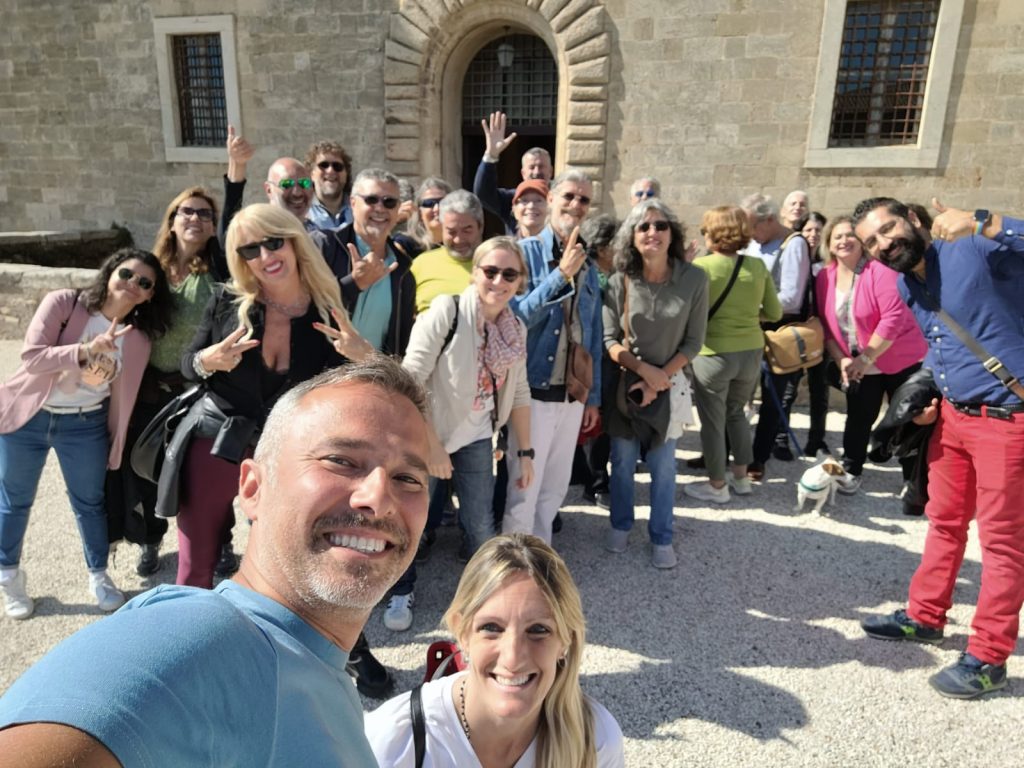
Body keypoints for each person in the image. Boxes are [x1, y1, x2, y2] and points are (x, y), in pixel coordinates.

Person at [0, 359, 433, 765]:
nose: (379, 498)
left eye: (407, 478)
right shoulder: (198, 639)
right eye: (341, 460)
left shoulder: (315, 668)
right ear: (252, 488)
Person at [853, 197, 1024, 699]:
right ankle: (926, 615)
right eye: (873, 242)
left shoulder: (974, 244)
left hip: (1007, 420)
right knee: (943, 520)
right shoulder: (908, 284)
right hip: (952, 418)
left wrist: (985, 219)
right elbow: (941, 342)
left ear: (912, 219)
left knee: (1001, 543)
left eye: (888, 229)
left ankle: (990, 657)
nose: (884, 244)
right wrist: (930, 398)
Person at [175, 203, 374, 589]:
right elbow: (187, 364)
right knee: (196, 559)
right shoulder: (227, 302)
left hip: (285, 446)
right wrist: (208, 360)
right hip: (219, 436)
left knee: (278, 555)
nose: (265, 256)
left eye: (273, 242)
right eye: (250, 249)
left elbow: (349, 386)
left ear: (294, 242)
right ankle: (188, 638)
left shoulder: (328, 308)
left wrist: (363, 355)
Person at [0, 249, 172, 619]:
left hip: (85, 425)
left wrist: (116, 442)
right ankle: (9, 576)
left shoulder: (138, 340)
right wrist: (84, 351)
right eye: (127, 274)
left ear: (149, 295)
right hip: (30, 417)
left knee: (89, 503)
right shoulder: (65, 303)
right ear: (110, 271)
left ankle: (98, 574)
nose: (133, 285)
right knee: (15, 501)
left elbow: (121, 399)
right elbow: (32, 356)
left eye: (144, 283)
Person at [364, 533, 625, 768]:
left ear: (566, 640)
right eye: (491, 627)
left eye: (538, 630)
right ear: (461, 632)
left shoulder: (596, 740)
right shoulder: (394, 743)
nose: (512, 658)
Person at [391, 237, 534, 631]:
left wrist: (526, 453)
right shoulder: (446, 310)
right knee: (414, 521)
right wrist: (432, 445)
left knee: (480, 524)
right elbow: (410, 378)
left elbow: (519, 391)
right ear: (475, 272)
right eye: (490, 271)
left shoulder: (513, 326)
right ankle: (400, 591)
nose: (499, 281)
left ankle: (483, 597)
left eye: (510, 273)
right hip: (429, 434)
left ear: (520, 280)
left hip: (476, 437)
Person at [602, 200, 708, 568]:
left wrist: (659, 378)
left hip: (671, 383)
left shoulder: (695, 279)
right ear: (632, 237)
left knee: (664, 467)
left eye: (661, 226)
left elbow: (694, 342)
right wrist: (643, 371)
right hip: (626, 388)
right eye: (644, 227)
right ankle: (620, 524)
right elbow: (609, 339)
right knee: (623, 460)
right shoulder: (620, 282)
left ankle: (662, 536)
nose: (653, 233)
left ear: (672, 233)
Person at [502, 169, 603, 544]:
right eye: (569, 197)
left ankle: (539, 558)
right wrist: (560, 277)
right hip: (532, 393)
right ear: (552, 200)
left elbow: (592, 333)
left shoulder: (588, 264)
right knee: (523, 487)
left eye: (584, 200)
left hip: (571, 393)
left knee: (555, 489)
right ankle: (513, 564)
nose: (576, 206)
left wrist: (593, 397)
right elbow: (515, 319)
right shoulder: (523, 254)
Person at [816, 216, 927, 496]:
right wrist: (841, 358)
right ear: (829, 245)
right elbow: (827, 325)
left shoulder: (880, 270)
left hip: (898, 356)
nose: (844, 241)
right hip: (856, 362)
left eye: (850, 235)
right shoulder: (824, 277)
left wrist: (865, 358)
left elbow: (893, 317)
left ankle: (912, 478)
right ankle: (852, 470)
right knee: (858, 417)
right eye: (837, 237)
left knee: (907, 417)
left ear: (862, 242)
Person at [685, 206, 780, 505]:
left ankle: (716, 484)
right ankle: (741, 478)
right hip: (750, 350)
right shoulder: (757, 267)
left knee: (713, 421)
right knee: (737, 413)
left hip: (713, 352)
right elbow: (775, 312)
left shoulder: (701, 267)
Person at [741, 193, 811, 478]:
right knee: (737, 394)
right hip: (750, 327)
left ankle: (758, 458)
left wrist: (749, 308)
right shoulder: (755, 244)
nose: (748, 234)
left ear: (769, 220)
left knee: (772, 397)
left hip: (776, 330)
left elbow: (791, 299)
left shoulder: (793, 245)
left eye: (751, 228)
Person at [473, 111, 554, 234]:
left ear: (551, 171)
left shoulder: (560, 199)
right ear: (523, 173)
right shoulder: (512, 198)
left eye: (541, 166)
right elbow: (483, 194)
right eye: (532, 167)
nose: (537, 172)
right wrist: (491, 155)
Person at [410, 190, 485, 313]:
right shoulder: (420, 264)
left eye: (467, 230)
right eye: (451, 232)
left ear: (480, 227)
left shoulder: (497, 263)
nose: (458, 239)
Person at [796, 211, 831, 456]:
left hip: (820, 333)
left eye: (818, 230)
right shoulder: (793, 258)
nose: (813, 235)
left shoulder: (827, 264)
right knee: (787, 390)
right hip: (795, 333)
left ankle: (816, 439)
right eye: (808, 230)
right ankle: (779, 438)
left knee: (820, 389)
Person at [305, 140, 354, 230]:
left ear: (346, 174)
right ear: (311, 174)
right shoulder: (301, 210)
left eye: (337, 166)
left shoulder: (359, 208)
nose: (330, 171)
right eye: (323, 165)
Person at [408, 177, 454, 252]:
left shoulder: (462, 244)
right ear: (419, 211)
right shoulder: (406, 245)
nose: (437, 208)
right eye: (429, 203)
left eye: (443, 202)